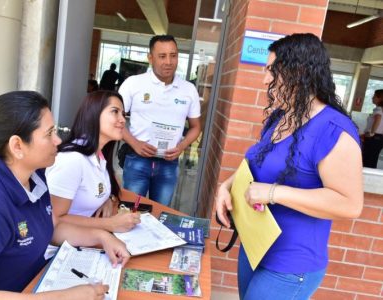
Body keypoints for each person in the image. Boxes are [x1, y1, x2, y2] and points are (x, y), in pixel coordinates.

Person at [0, 91, 130, 300]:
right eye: (49, 133)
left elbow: (50, 226)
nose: (58, 140)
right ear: (17, 146)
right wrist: (63, 298)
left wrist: (101, 237)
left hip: (30, 286)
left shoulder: (34, 175)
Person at [216, 33, 363, 300]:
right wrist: (224, 186)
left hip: (291, 263)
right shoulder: (280, 118)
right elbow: (256, 164)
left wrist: (273, 193)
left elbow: (350, 204)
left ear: (300, 71)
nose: (265, 80)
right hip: (256, 245)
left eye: (272, 71)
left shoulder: (334, 130)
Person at [118, 35, 201, 206]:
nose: (169, 62)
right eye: (162, 56)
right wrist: (135, 143)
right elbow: (115, 120)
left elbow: (195, 127)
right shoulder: (133, 84)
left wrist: (181, 147)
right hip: (137, 159)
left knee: (159, 215)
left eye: (173, 55)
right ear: (150, 58)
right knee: (130, 211)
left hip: (168, 164)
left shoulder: (188, 90)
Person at [46, 90, 140, 232]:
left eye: (123, 114)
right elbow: (54, 218)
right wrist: (111, 224)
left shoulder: (99, 155)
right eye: (115, 112)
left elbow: (107, 186)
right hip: (59, 249)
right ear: (93, 115)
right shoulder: (72, 160)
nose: (122, 120)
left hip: (86, 239)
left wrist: (107, 199)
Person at [362, 89, 383, 168]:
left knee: (367, 160)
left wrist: (371, 133)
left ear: (380, 98)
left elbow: (378, 118)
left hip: (374, 138)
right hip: (379, 138)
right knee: (372, 160)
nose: (372, 98)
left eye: (374, 96)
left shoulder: (379, 109)